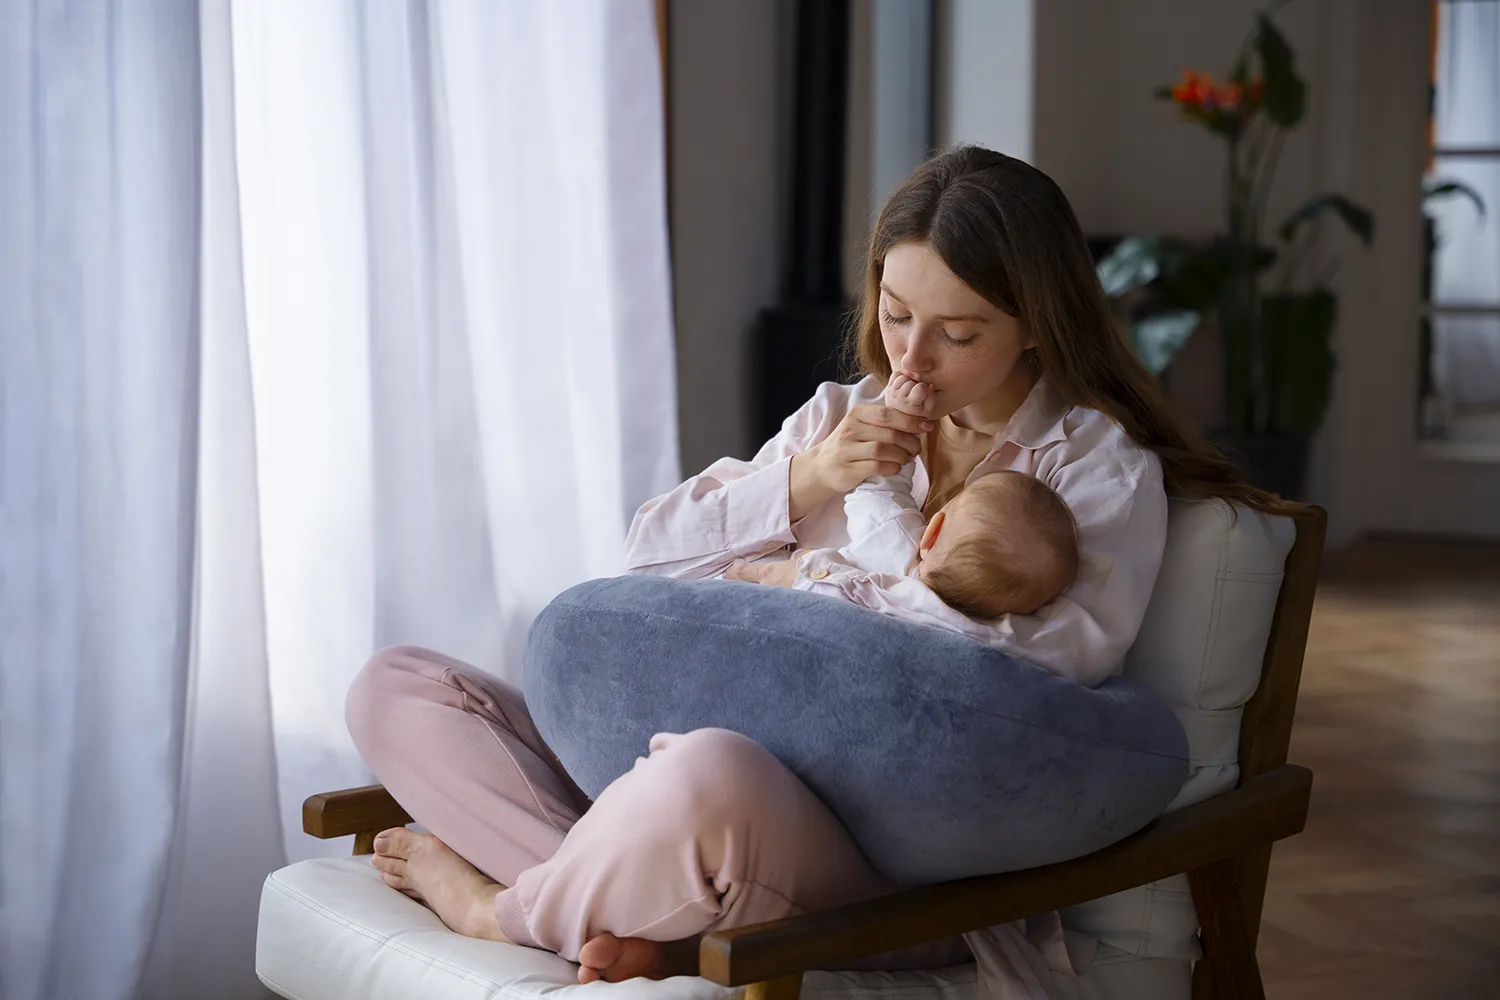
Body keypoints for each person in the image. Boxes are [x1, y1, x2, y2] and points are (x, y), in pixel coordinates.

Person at [344, 146, 1282, 994]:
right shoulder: (842, 413)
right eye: (897, 312)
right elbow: (642, 561)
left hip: (885, 868)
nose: (912, 357)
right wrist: (812, 477)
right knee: (399, 688)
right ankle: (633, 904)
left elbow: (1030, 676)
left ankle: (501, 908)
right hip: (681, 789)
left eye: (959, 333)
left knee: (704, 777)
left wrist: (816, 582)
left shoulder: (1095, 470)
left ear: (1038, 324)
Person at [796, 369, 1081, 625]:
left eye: (959, 333)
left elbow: (879, 486)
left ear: (932, 530)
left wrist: (901, 416)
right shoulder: (963, 626)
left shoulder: (893, 539)